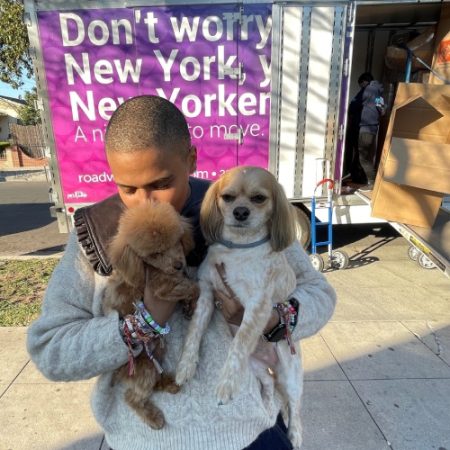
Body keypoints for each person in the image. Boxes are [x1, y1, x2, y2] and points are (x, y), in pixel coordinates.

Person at [27, 95, 336, 450]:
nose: (147, 202)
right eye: (128, 188)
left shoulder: (239, 209)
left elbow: (319, 293)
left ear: (190, 159)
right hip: (140, 439)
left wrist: (272, 319)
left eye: (161, 184)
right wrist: (139, 325)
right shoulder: (96, 232)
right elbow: (50, 349)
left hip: (247, 433)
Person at [352, 72, 385, 190]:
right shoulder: (378, 91)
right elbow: (382, 110)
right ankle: (369, 180)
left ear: (364, 82)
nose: (361, 88)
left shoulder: (368, 89)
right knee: (365, 156)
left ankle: (372, 182)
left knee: (362, 157)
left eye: (361, 85)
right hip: (372, 128)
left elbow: (354, 104)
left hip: (366, 127)